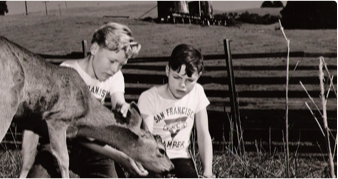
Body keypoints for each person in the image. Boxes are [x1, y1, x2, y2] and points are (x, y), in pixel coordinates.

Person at [24, 22, 147, 178]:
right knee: (38, 175)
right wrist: (119, 156)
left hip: (94, 146)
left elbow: (118, 102)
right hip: (61, 141)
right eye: (112, 61)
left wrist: (124, 108)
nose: (115, 69)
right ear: (94, 49)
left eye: (121, 65)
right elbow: (66, 126)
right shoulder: (67, 71)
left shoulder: (115, 77)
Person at [137, 44, 214, 178]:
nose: (182, 85)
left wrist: (208, 172)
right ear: (167, 70)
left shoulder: (198, 92)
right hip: (154, 158)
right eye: (177, 77)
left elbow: (203, 134)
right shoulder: (149, 98)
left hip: (181, 157)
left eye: (190, 80)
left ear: (199, 76)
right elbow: (146, 142)